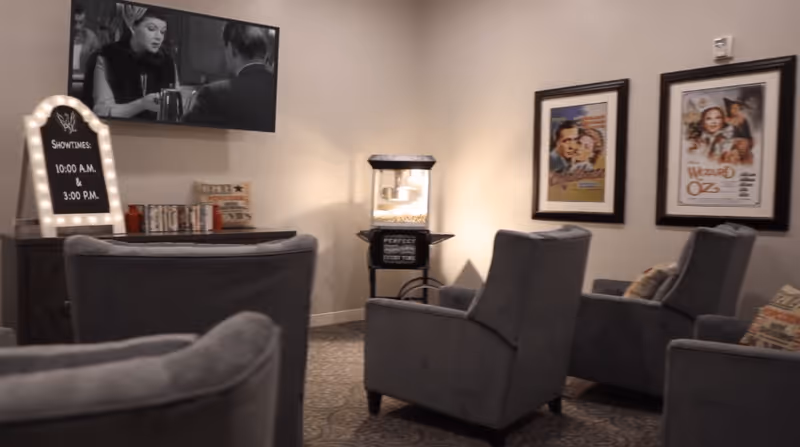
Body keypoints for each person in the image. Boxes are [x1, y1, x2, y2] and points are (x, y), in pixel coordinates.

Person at [84, 7, 177, 120]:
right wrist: (142, 104)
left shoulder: (167, 62)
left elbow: (177, 106)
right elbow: (101, 111)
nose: (158, 37)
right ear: (133, 27)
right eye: (151, 29)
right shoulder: (107, 57)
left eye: (162, 32)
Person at [183, 22, 277, 132]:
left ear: (232, 48)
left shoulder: (213, 94)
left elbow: (185, 135)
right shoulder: (281, 91)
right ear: (264, 52)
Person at [72, 5, 101, 77]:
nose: (77, 27)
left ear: (85, 22)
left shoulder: (91, 37)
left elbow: (99, 63)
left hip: (84, 78)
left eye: (80, 22)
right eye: (74, 22)